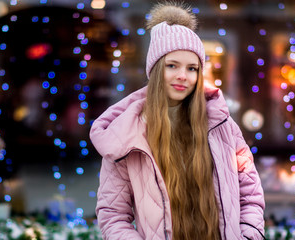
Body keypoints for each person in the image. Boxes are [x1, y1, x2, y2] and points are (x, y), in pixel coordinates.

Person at [90, 1, 265, 240]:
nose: (183, 76)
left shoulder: (222, 126)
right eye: (172, 65)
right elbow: (113, 215)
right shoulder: (126, 136)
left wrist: (249, 235)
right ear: (156, 70)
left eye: (192, 68)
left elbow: (250, 194)